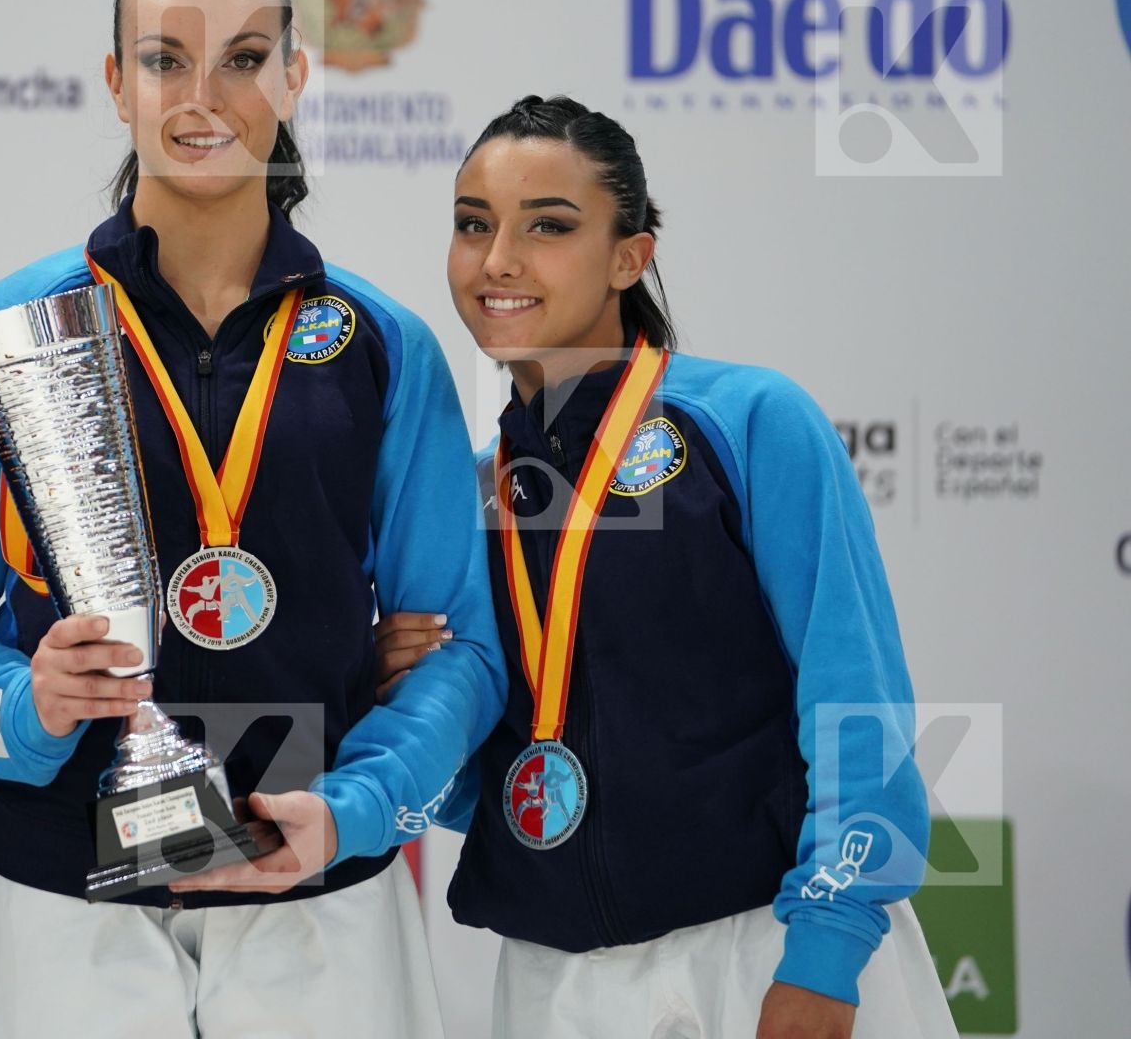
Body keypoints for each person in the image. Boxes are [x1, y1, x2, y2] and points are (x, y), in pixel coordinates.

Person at [0, 0, 505, 1038]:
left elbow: (460, 649)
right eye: (167, 59)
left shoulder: (382, 343)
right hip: (61, 902)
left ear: (297, 74)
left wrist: (354, 811)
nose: (201, 94)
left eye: (244, 60)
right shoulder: (8, 333)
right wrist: (26, 705)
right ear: (117, 81)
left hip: (318, 895)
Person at [381, 93, 957, 1039]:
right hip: (555, 983)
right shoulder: (474, 497)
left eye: (549, 226)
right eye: (473, 224)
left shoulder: (748, 423)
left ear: (629, 255)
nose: (499, 261)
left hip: (770, 947)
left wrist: (826, 948)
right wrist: (399, 695)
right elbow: (498, 778)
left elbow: (855, 700)